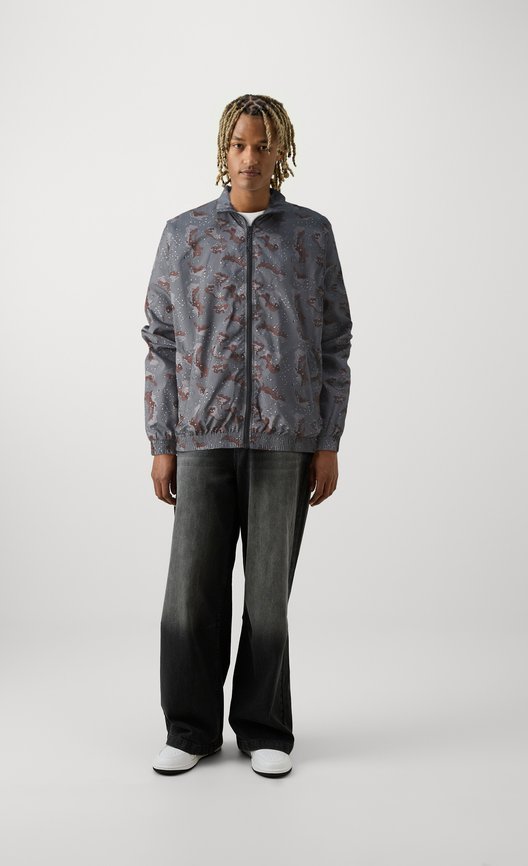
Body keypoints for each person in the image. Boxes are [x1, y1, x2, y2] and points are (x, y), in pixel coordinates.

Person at [141, 94, 353, 777]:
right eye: (239, 144)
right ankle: (190, 728)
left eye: (263, 145)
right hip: (201, 437)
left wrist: (327, 439)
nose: (250, 157)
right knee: (192, 592)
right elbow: (161, 340)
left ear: (280, 151)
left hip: (286, 439)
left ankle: (264, 728)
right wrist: (162, 441)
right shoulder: (184, 234)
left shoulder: (311, 235)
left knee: (267, 599)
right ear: (223, 151)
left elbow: (334, 340)